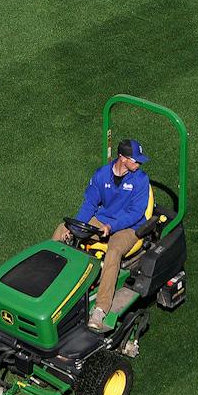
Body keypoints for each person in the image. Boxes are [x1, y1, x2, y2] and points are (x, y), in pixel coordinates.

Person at [51, 138, 150, 332]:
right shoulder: (101, 175)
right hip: (103, 219)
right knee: (63, 228)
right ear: (122, 158)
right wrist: (75, 227)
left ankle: (100, 310)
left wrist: (111, 226)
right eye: (135, 160)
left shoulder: (140, 180)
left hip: (129, 227)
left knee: (113, 251)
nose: (139, 164)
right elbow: (89, 203)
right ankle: (48, 276)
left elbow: (135, 212)